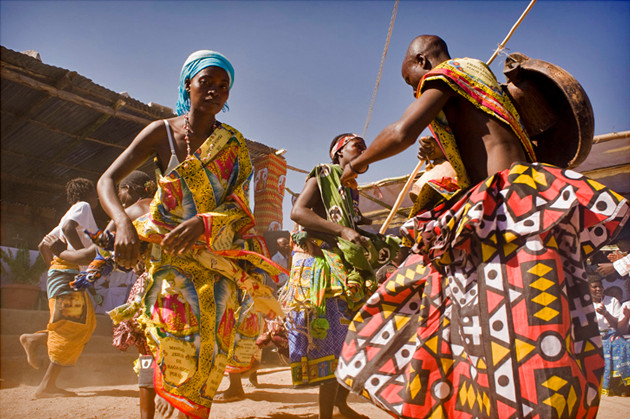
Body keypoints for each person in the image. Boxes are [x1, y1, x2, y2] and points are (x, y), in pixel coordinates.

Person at [336, 35, 630, 418]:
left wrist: (356, 166)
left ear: (423, 61)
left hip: (503, 214)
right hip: (530, 203)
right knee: (536, 327)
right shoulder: (487, 87)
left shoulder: (447, 74)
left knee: (510, 331)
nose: (415, 93)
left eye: (411, 82)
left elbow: (401, 132)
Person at [96, 50, 284, 419]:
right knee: (165, 348)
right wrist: (120, 222)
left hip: (217, 267)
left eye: (223, 86)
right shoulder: (161, 132)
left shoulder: (234, 146)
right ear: (188, 84)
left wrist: (203, 222)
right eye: (207, 82)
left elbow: (240, 209)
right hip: (168, 267)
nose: (215, 91)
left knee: (210, 357)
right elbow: (107, 180)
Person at [281, 133, 399, 419]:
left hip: (347, 267)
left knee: (352, 338)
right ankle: (326, 414)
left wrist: (363, 232)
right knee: (332, 340)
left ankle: (341, 404)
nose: (363, 149)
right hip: (322, 264)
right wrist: (342, 230)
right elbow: (298, 212)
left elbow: (348, 224)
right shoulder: (323, 174)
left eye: (364, 146)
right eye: (356, 145)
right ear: (338, 153)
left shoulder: (351, 192)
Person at [19, 178, 100, 398]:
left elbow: (43, 245)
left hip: (64, 275)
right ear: (87, 193)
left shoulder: (70, 212)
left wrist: (56, 267)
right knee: (73, 326)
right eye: (95, 193)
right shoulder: (82, 207)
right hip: (67, 277)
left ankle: (35, 340)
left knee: (85, 323)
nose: (97, 197)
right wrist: (73, 258)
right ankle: (46, 387)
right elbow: (66, 229)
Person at [589, 276, 630, 396]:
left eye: (600, 286)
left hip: (611, 333)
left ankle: (620, 383)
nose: (598, 289)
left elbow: (616, 326)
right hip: (593, 335)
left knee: (621, 344)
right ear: (588, 288)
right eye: (594, 287)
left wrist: (606, 314)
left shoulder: (612, 301)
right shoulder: (585, 303)